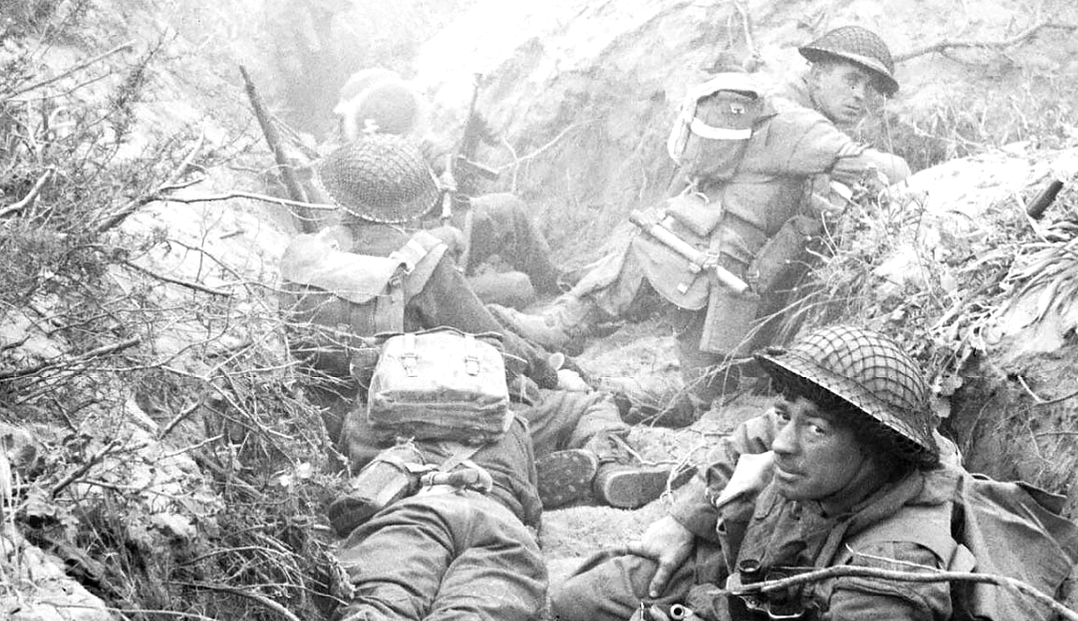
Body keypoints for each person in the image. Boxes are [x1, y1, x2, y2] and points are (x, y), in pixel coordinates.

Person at [546, 325, 976, 621]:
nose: (782, 444)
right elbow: (753, 434)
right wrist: (685, 519)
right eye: (789, 416)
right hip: (749, 579)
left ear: (878, 449)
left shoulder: (886, 569)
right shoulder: (815, 438)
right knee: (573, 601)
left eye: (817, 431)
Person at [491, 26, 912, 426]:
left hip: (686, 250)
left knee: (701, 384)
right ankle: (578, 385)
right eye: (851, 79)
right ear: (817, 73)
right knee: (705, 398)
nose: (860, 96)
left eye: (868, 88)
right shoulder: (799, 124)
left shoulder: (776, 101)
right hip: (706, 270)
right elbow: (886, 170)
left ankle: (573, 368)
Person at [286, 132, 679, 510]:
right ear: (408, 206)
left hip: (342, 425)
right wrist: (552, 373)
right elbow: (492, 339)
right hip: (420, 411)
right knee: (587, 406)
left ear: (340, 194)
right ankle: (609, 468)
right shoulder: (421, 260)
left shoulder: (304, 254)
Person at [228, 360, 548, 621]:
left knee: (383, 597)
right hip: (501, 523)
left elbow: (342, 496)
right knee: (469, 618)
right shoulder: (514, 427)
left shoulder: (365, 423)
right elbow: (536, 508)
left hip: (413, 511)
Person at [331, 67, 561, 306]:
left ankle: (554, 280)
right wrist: (439, 237)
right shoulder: (352, 176)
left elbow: (430, 153)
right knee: (518, 287)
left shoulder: (397, 145)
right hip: (417, 286)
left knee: (509, 208)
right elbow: (384, 257)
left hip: (437, 244)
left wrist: (443, 169)